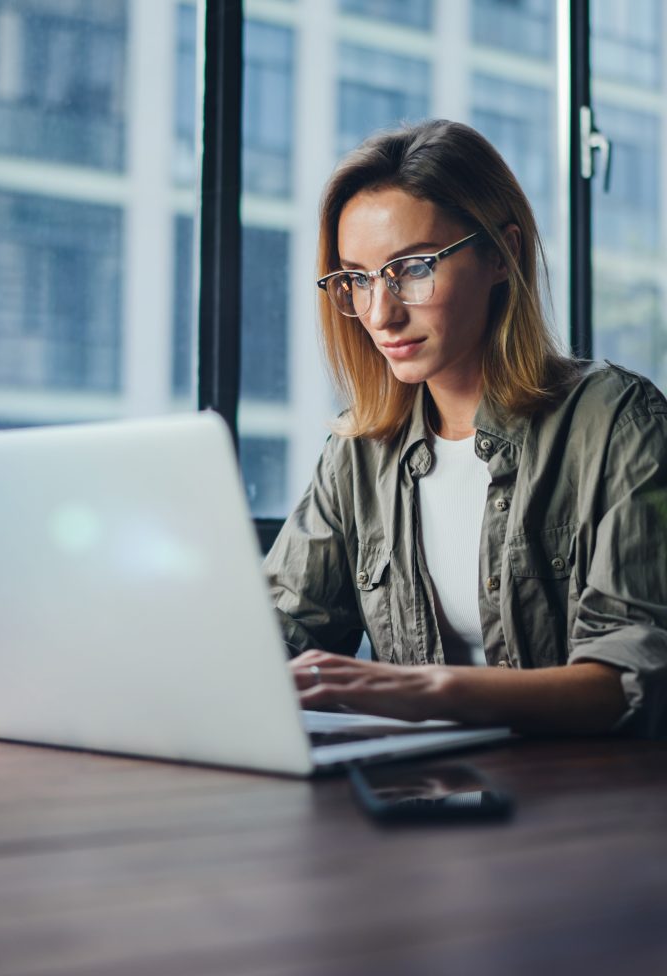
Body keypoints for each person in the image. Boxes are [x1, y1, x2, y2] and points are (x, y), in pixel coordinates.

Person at [263, 119, 667, 738]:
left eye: (413, 268)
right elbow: (282, 634)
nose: (381, 313)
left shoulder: (617, 420)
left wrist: (435, 690)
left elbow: (631, 675)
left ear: (503, 254)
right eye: (358, 278)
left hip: (586, 804)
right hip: (424, 795)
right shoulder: (357, 453)